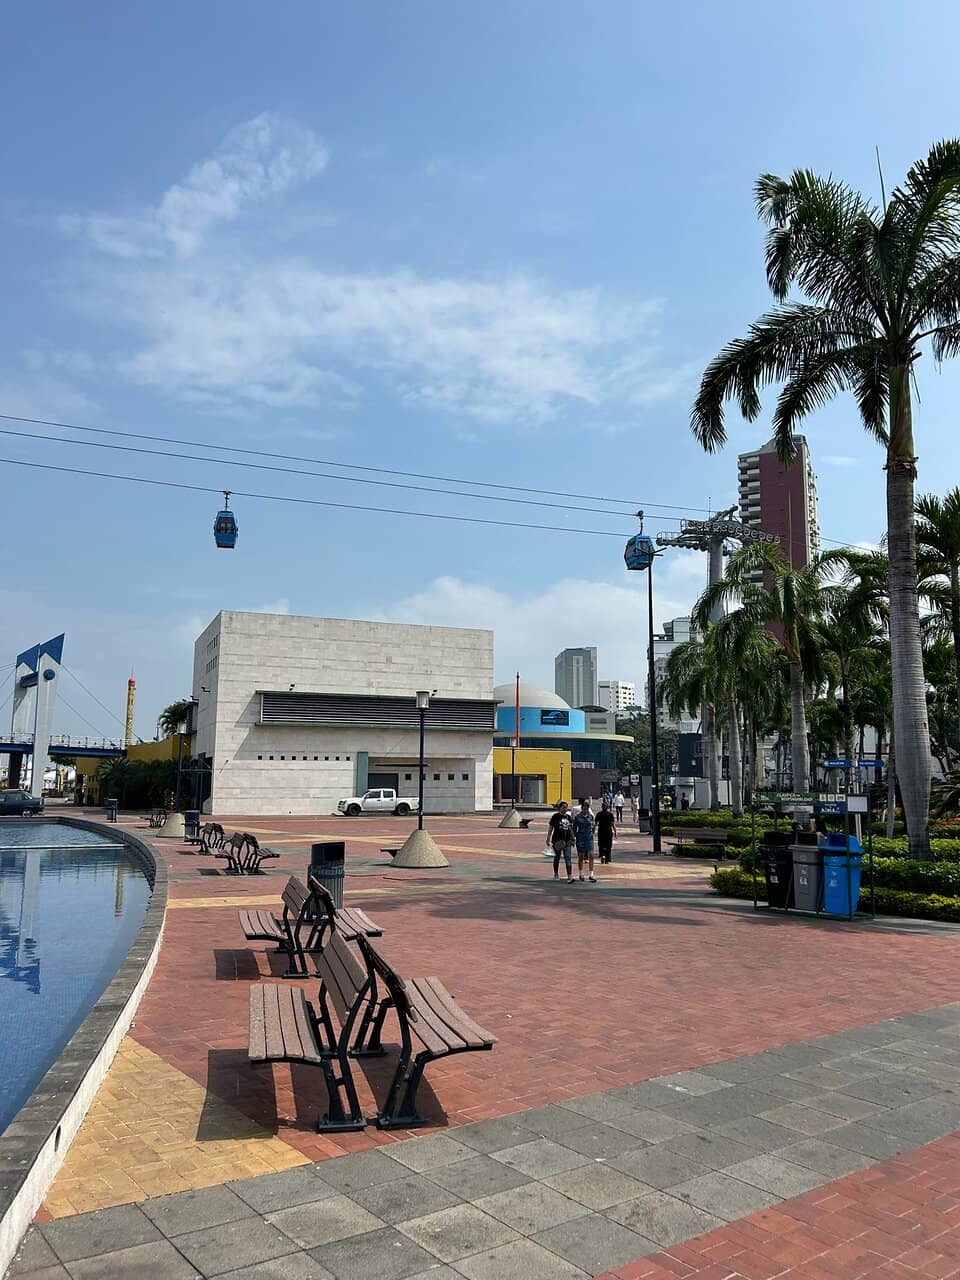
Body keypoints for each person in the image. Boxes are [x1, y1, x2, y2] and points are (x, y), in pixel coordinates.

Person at [547, 801, 575, 882]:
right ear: (560, 808)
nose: (565, 809)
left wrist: (573, 839)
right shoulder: (555, 816)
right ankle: (556, 873)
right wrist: (548, 838)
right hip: (557, 840)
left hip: (567, 840)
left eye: (566, 807)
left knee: (568, 858)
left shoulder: (568, 817)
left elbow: (571, 829)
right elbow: (551, 827)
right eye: (563, 807)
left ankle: (569, 875)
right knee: (557, 857)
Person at [572, 800, 597, 881]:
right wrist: (574, 838)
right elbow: (574, 829)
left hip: (589, 837)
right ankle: (581, 873)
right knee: (581, 856)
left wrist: (593, 830)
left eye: (586, 809)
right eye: (584, 809)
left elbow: (593, 826)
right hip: (581, 837)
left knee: (591, 855)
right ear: (581, 808)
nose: (585, 810)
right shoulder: (577, 817)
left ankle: (591, 874)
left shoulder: (591, 817)